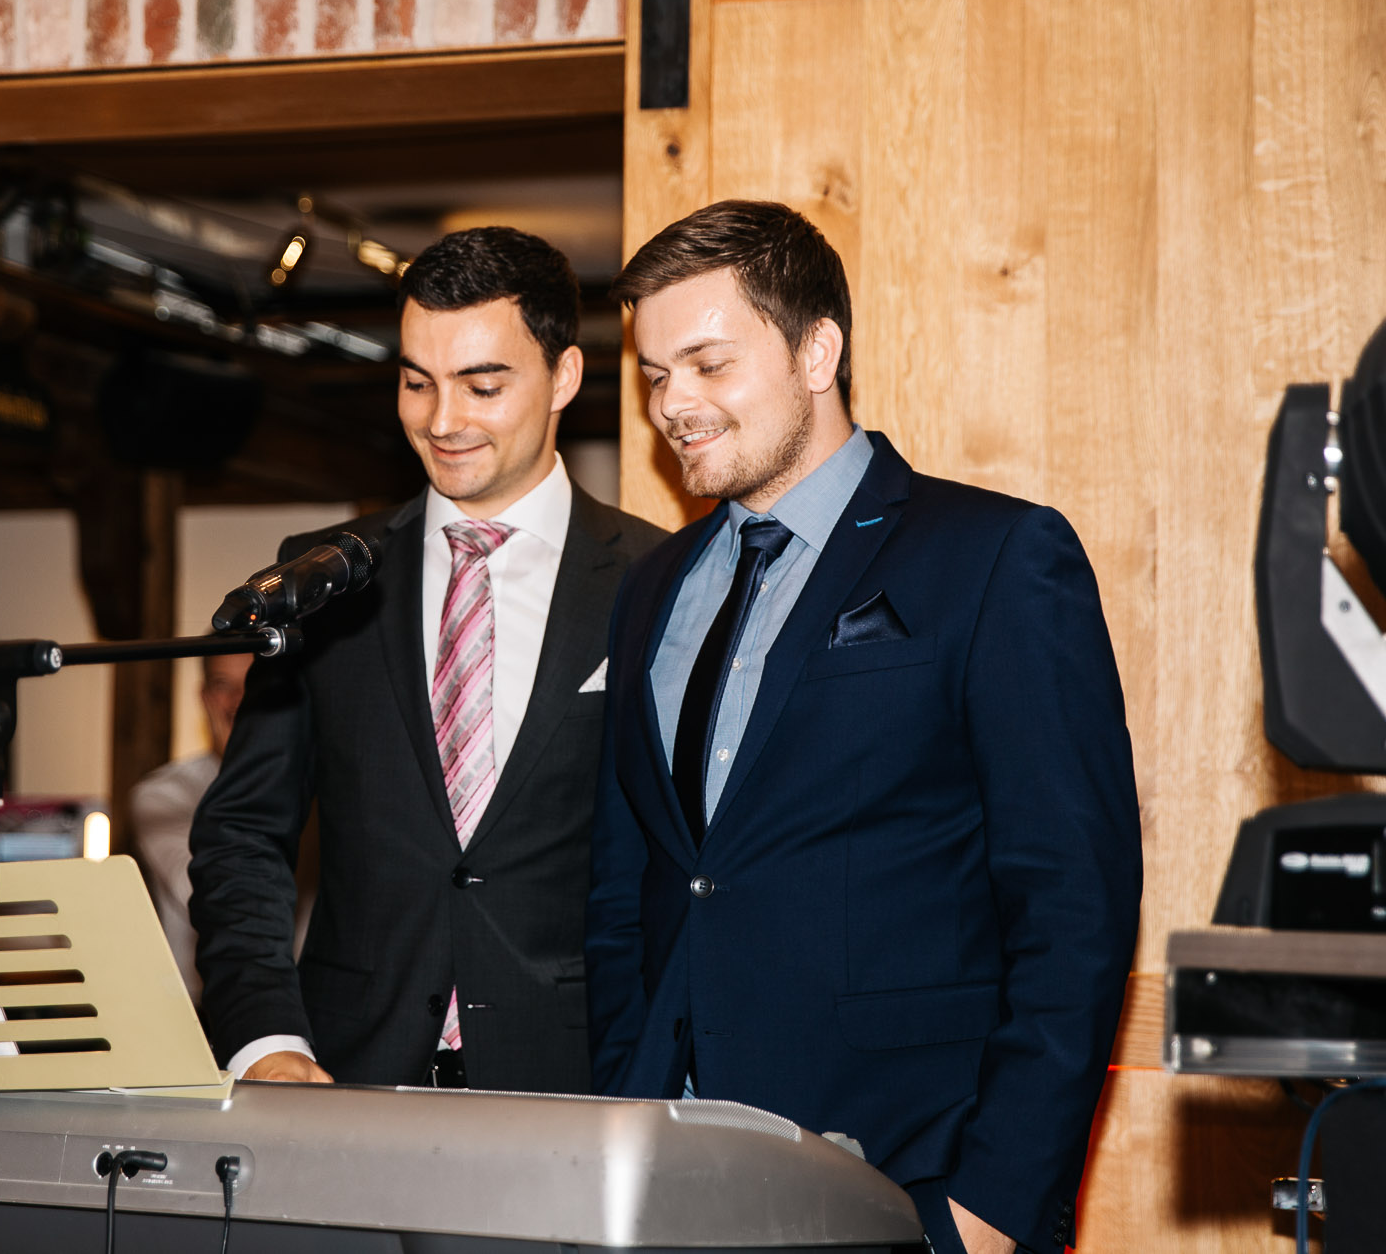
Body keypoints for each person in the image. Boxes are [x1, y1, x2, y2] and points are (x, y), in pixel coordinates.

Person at [586, 201, 1140, 1254]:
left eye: (707, 364)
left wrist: (992, 1205)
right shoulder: (651, 585)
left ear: (816, 351)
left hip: (908, 1175)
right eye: (655, 374)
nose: (674, 404)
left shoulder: (994, 556)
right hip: (667, 1169)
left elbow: (1072, 906)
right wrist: (626, 1089)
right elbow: (630, 889)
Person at [190, 226, 667, 1092]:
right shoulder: (321, 575)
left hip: (577, 1082)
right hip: (345, 1075)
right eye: (417, 382)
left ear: (564, 376)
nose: (442, 421)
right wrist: (265, 1036)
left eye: (482, 385)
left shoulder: (659, 579)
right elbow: (240, 836)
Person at [131, 652, 254, 1003]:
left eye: (253, 684)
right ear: (204, 697)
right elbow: (207, 893)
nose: (237, 700)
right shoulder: (163, 794)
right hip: (195, 1011)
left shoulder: (321, 791)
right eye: (222, 685)